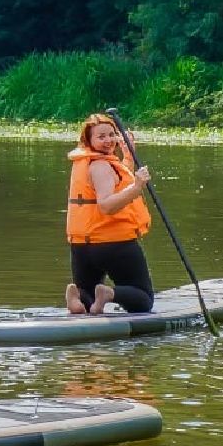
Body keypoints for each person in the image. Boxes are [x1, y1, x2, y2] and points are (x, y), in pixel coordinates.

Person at [65, 113, 155, 315]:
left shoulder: (87, 162)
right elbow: (106, 205)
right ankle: (109, 294)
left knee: (89, 298)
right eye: (101, 137)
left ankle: (78, 297)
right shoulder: (100, 166)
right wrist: (138, 186)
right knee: (143, 299)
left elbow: (117, 181)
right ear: (88, 140)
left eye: (111, 135)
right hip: (112, 243)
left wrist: (128, 157)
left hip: (82, 247)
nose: (108, 141)